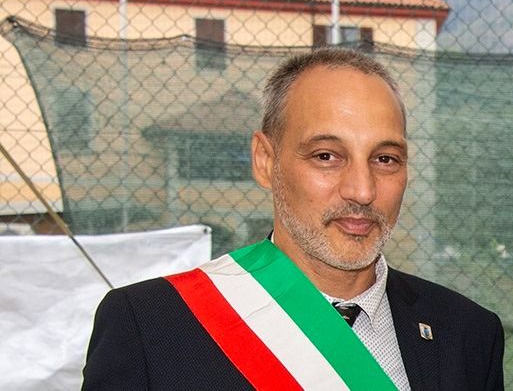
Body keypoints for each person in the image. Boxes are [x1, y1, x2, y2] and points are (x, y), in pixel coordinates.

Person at [82, 48, 504, 390]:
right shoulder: (151, 325)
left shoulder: (468, 334)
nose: (362, 191)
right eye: (326, 156)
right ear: (265, 161)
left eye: (385, 159)